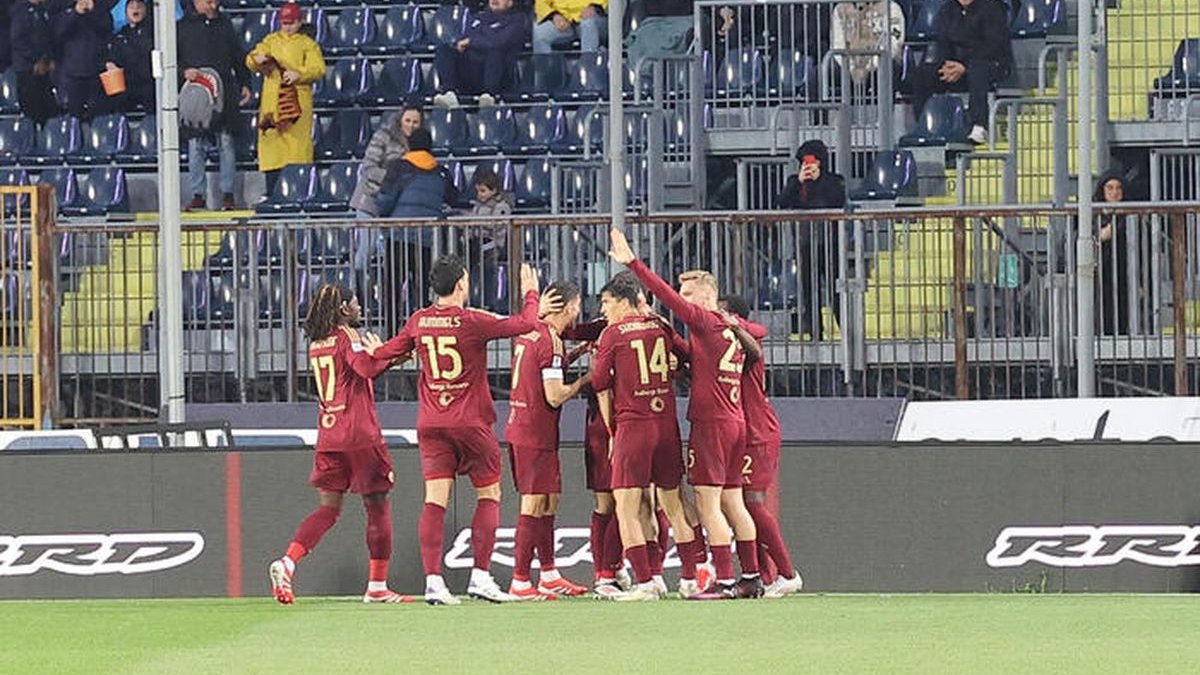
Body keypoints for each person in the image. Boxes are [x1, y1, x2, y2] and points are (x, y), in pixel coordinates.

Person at [370, 257, 561, 605]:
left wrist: (374, 351)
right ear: (461, 284)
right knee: (489, 494)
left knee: (434, 499)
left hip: (431, 423)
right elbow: (525, 323)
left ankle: (433, 582)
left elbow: (385, 353)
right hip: (470, 423)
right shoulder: (472, 321)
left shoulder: (419, 321)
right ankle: (480, 577)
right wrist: (531, 294)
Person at [610, 231, 761, 599]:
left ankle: (725, 581)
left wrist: (633, 263)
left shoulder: (705, 321)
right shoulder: (729, 328)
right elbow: (700, 359)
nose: (684, 299)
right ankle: (752, 577)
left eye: (690, 293)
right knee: (734, 503)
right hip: (735, 420)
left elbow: (665, 295)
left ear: (708, 295)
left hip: (711, 425)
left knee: (709, 506)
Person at [267, 284, 408, 605]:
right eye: (356, 303)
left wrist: (388, 358)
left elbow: (356, 372)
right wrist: (390, 354)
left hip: (329, 434)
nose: (360, 308)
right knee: (377, 505)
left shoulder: (317, 342)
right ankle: (377, 586)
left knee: (328, 509)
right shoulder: (346, 335)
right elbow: (365, 368)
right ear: (344, 308)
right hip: (359, 434)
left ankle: (288, 562)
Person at [589, 272, 705, 601]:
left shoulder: (612, 334)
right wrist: (672, 368)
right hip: (666, 425)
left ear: (624, 302)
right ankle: (689, 578)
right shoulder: (660, 325)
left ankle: (645, 582)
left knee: (626, 507)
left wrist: (613, 430)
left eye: (607, 302)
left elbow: (599, 382)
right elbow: (687, 356)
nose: (604, 310)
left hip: (633, 426)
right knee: (673, 503)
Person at [503, 280, 592, 600]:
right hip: (534, 433)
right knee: (534, 502)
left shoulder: (530, 333)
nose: (579, 311)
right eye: (577, 305)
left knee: (549, 499)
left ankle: (549, 574)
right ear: (568, 307)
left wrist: (577, 352)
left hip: (523, 427)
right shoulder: (551, 341)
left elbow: (542, 368)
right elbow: (554, 395)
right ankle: (520, 580)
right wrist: (585, 380)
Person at [719, 294, 804, 599]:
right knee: (739, 505)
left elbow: (759, 329)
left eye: (720, 312)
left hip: (757, 431)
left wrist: (731, 323)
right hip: (741, 430)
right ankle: (763, 576)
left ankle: (787, 574)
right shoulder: (725, 345)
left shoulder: (747, 337)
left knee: (752, 503)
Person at [373, 127, 459, 332]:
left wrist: (382, 218)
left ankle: (392, 334)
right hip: (427, 239)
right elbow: (454, 199)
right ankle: (424, 333)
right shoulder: (441, 172)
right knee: (423, 289)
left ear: (409, 145)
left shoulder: (398, 167)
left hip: (398, 236)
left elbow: (384, 201)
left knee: (393, 288)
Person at [245, 2, 325, 197]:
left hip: (297, 104)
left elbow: (318, 69)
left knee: (297, 148)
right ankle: (271, 192)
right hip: (272, 104)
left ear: (299, 22)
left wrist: (299, 74)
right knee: (272, 147)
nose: (287, 27)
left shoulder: (308, 44)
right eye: (284, 23)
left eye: (291, 23)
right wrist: (257, 59)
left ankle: (298, 191)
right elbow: (251, 59)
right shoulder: (270, 41)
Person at [178, 0, 251, 211]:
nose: (212, 5)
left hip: (224, 93)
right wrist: (184, 72)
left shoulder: (225, 25)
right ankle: (198, 194)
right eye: (208, 1)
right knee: (195, 145)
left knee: (226, 143)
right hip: (195, 94)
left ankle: (228, 194)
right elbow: (173, 59)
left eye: (214, 1)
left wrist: (245, 83)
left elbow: (238, 56)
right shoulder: (182, 27)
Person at [910, 0, 1013, 145]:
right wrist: (948, 66)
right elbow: (944, 44)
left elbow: (993, 46)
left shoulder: (993, 7)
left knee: (978, 69)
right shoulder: (947, 10)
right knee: (924, 74)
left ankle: (979, 125)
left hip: (993, 64)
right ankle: (923, 123)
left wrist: (965, 66)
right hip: (958, 67)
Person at [350, 105, 423, 308]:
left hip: (396, 207)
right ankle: (357, 300)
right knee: (366, 251)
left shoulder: (418, 143)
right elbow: (369, 168)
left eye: (415, 122)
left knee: (393, 257)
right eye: (408, 120)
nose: (411, 125)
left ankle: (390, 304)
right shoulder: (383, 137)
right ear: (400, 120)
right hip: (370, 201)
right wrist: (393, 181)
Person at [777, 139, 846, 340]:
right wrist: (798, 182)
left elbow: (836, 201)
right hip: (805, 243)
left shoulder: (834, 180)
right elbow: (782, 202)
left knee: (836, 290)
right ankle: (816, 334)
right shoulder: (795, 181)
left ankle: (845, 332)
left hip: (830, 243)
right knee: (808, 291)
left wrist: (820, 180)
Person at [432, 0, 528, 109]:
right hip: (473, 72)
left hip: (500, 77)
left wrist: (472, 41)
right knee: (444, 49)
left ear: (511, 2)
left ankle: (489, 95)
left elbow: (500, 42)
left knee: (495, 50)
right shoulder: (480, 17)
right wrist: (477, 40)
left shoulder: (518, 20)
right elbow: (466, 37)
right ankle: (450, 93)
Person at [1094, 171, 1141, 336]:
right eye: (1110, 188)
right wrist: (1099, 236)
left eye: (1118, 188)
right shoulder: (1091, 214)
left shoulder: (1130, 214)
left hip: (1124, 273)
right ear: (1102, 190)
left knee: (1123, 314)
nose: (1114, 192)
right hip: (1098, 275)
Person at [52, 0, 114, 119]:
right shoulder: (64, 9)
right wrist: (76, 12)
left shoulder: (101, 9)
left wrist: (92, 11)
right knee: (73, 116)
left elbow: (106, 28)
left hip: (97, 71)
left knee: (98, 115)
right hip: (71, 73)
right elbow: (58, 32)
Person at [830, 0, 905, 86]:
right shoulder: (840, 9)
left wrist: (870, 67)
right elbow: (837, 43)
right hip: (849, 66)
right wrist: (851, 67)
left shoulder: (891, 7)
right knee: (829, 68)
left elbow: (893, 43)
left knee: (889, 66)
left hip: (879, 64)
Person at [470, 168, 513, 312]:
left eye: (483, 191)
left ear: (494, 190)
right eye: (478, 191)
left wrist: (474, 221)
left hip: (493, 245)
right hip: (478, 243)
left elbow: (495, 224)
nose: (479, 195)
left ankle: (489, 303)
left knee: (488, 273)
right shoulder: (477, 206)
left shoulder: (502, 206)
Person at [11, 0, 57, 126]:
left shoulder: (42, 10)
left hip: (43, 70)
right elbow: (17, 40)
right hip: (28, 70)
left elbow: (46, 39)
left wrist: (49, 58)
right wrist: (36, 59)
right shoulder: (21, 10)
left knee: (49, 111)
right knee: (33, 113)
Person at [105, 0, 155, 113]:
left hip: (149, 87)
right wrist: (110, 63)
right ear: (126, 12)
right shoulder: (119, 36)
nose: (135, 8)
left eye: (139, 6)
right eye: (131, 6)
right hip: (126, 88)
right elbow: (111, 58)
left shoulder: (154, 33)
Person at [533, 0, 606, 55]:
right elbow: (540, 3)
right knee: (539, 33)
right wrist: (554, 16)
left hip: (593, 15)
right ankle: (547, 69)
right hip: (563, 18)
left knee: (588, 24)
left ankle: (589, 66)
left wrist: (595, 7)